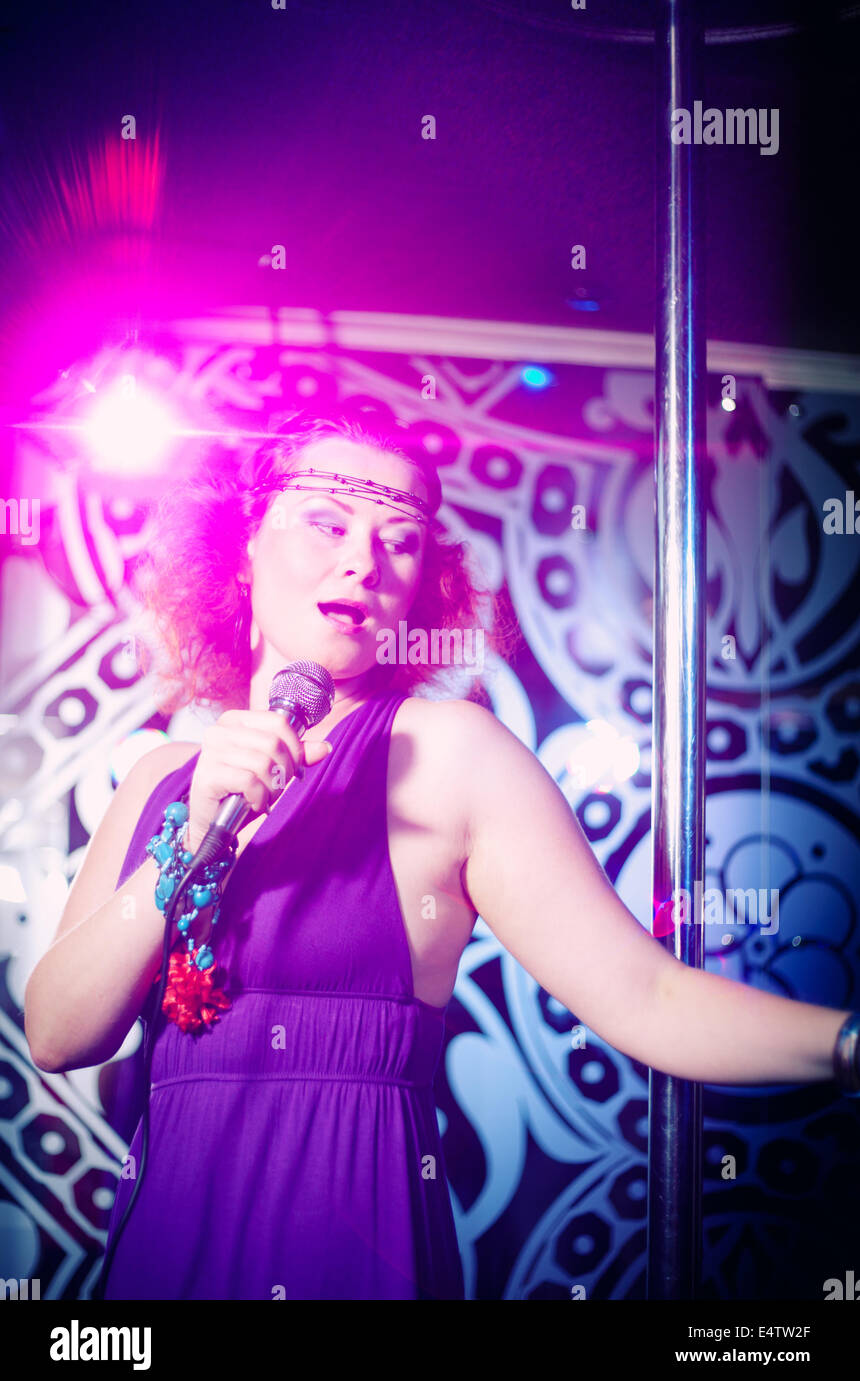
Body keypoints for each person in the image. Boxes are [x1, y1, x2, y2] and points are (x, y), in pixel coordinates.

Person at [23, 412, 860, 1301]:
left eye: (402, 540)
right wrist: (190, 838)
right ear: (242, 549)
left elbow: (646, 997)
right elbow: (59, 1033)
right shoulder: (159, 780)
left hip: (354, 1249)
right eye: (326, 522)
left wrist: (845, 1045)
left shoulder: (451, 753)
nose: (364, 562)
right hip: (165, 1260)